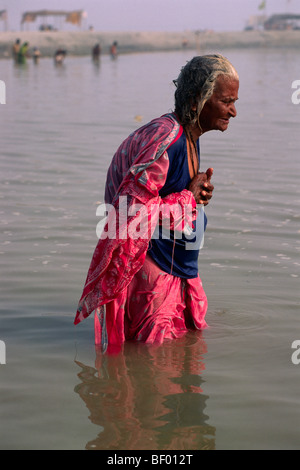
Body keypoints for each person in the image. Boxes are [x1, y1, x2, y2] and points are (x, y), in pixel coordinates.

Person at [74, 54, 239, 353]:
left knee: (183, 361)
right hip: (152, 272)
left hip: (177, 266)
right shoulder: (166, 138)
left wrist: (195, 194)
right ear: (195, 101)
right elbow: (130, 212)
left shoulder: (190, 134)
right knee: (157, 365)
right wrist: (188, 197)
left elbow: (165, 197)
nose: (234, 111)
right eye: (226, 101)